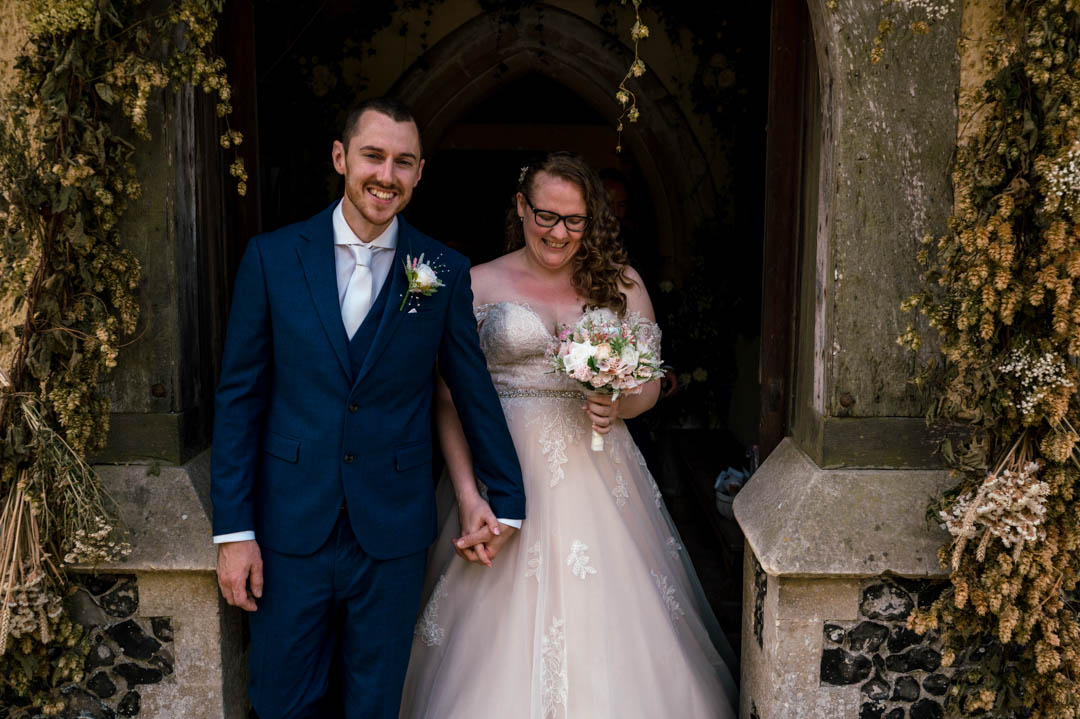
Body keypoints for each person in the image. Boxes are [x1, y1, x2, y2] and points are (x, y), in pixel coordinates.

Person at [209, 97, 525, 719]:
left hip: (392, 530)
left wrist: (507, 498)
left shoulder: (437, 269)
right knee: (279, 699)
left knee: (376, 703)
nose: (386, 175)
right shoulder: (272, 259)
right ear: (341, 158)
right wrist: (234, 531)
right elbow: (240, 397)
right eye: (373, 156)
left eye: (403, 162)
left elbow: (469, 387)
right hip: (288, 528)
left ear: (419, 172)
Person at [399, 152, 737, 718]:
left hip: (599, 468)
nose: (559, 232)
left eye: (574, 220)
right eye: (546, 216)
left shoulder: (620, 283)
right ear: (520, 207)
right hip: (501, 470)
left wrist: (618, 403)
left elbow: (648, 384)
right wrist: (466, 492)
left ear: (592, 220)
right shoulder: (476, 283)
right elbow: (448, 398)